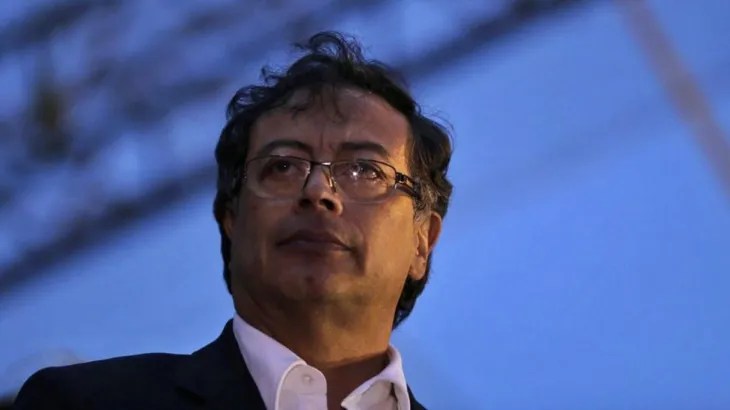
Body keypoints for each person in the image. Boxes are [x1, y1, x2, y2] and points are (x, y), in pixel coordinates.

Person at [14, 31, 454, 410]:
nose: (318, 191)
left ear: (423, 240)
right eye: (282, 166)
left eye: (364, 170)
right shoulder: (83, 402)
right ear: (231, 218)